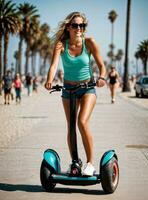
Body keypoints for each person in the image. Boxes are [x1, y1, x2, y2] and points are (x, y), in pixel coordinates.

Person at [45, 12, 106, 176]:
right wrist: (49, 80)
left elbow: (102, 66)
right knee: (71, 126)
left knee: (82, 122)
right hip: (68, 89)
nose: (79, 28)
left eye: (81, 25)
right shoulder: (61, 45)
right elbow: (53, 66)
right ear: (68, 27)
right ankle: (75, 162)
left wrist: (102, 77)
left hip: (87, 88)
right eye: (75, 25)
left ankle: (90, 164)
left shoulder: (90, 43)